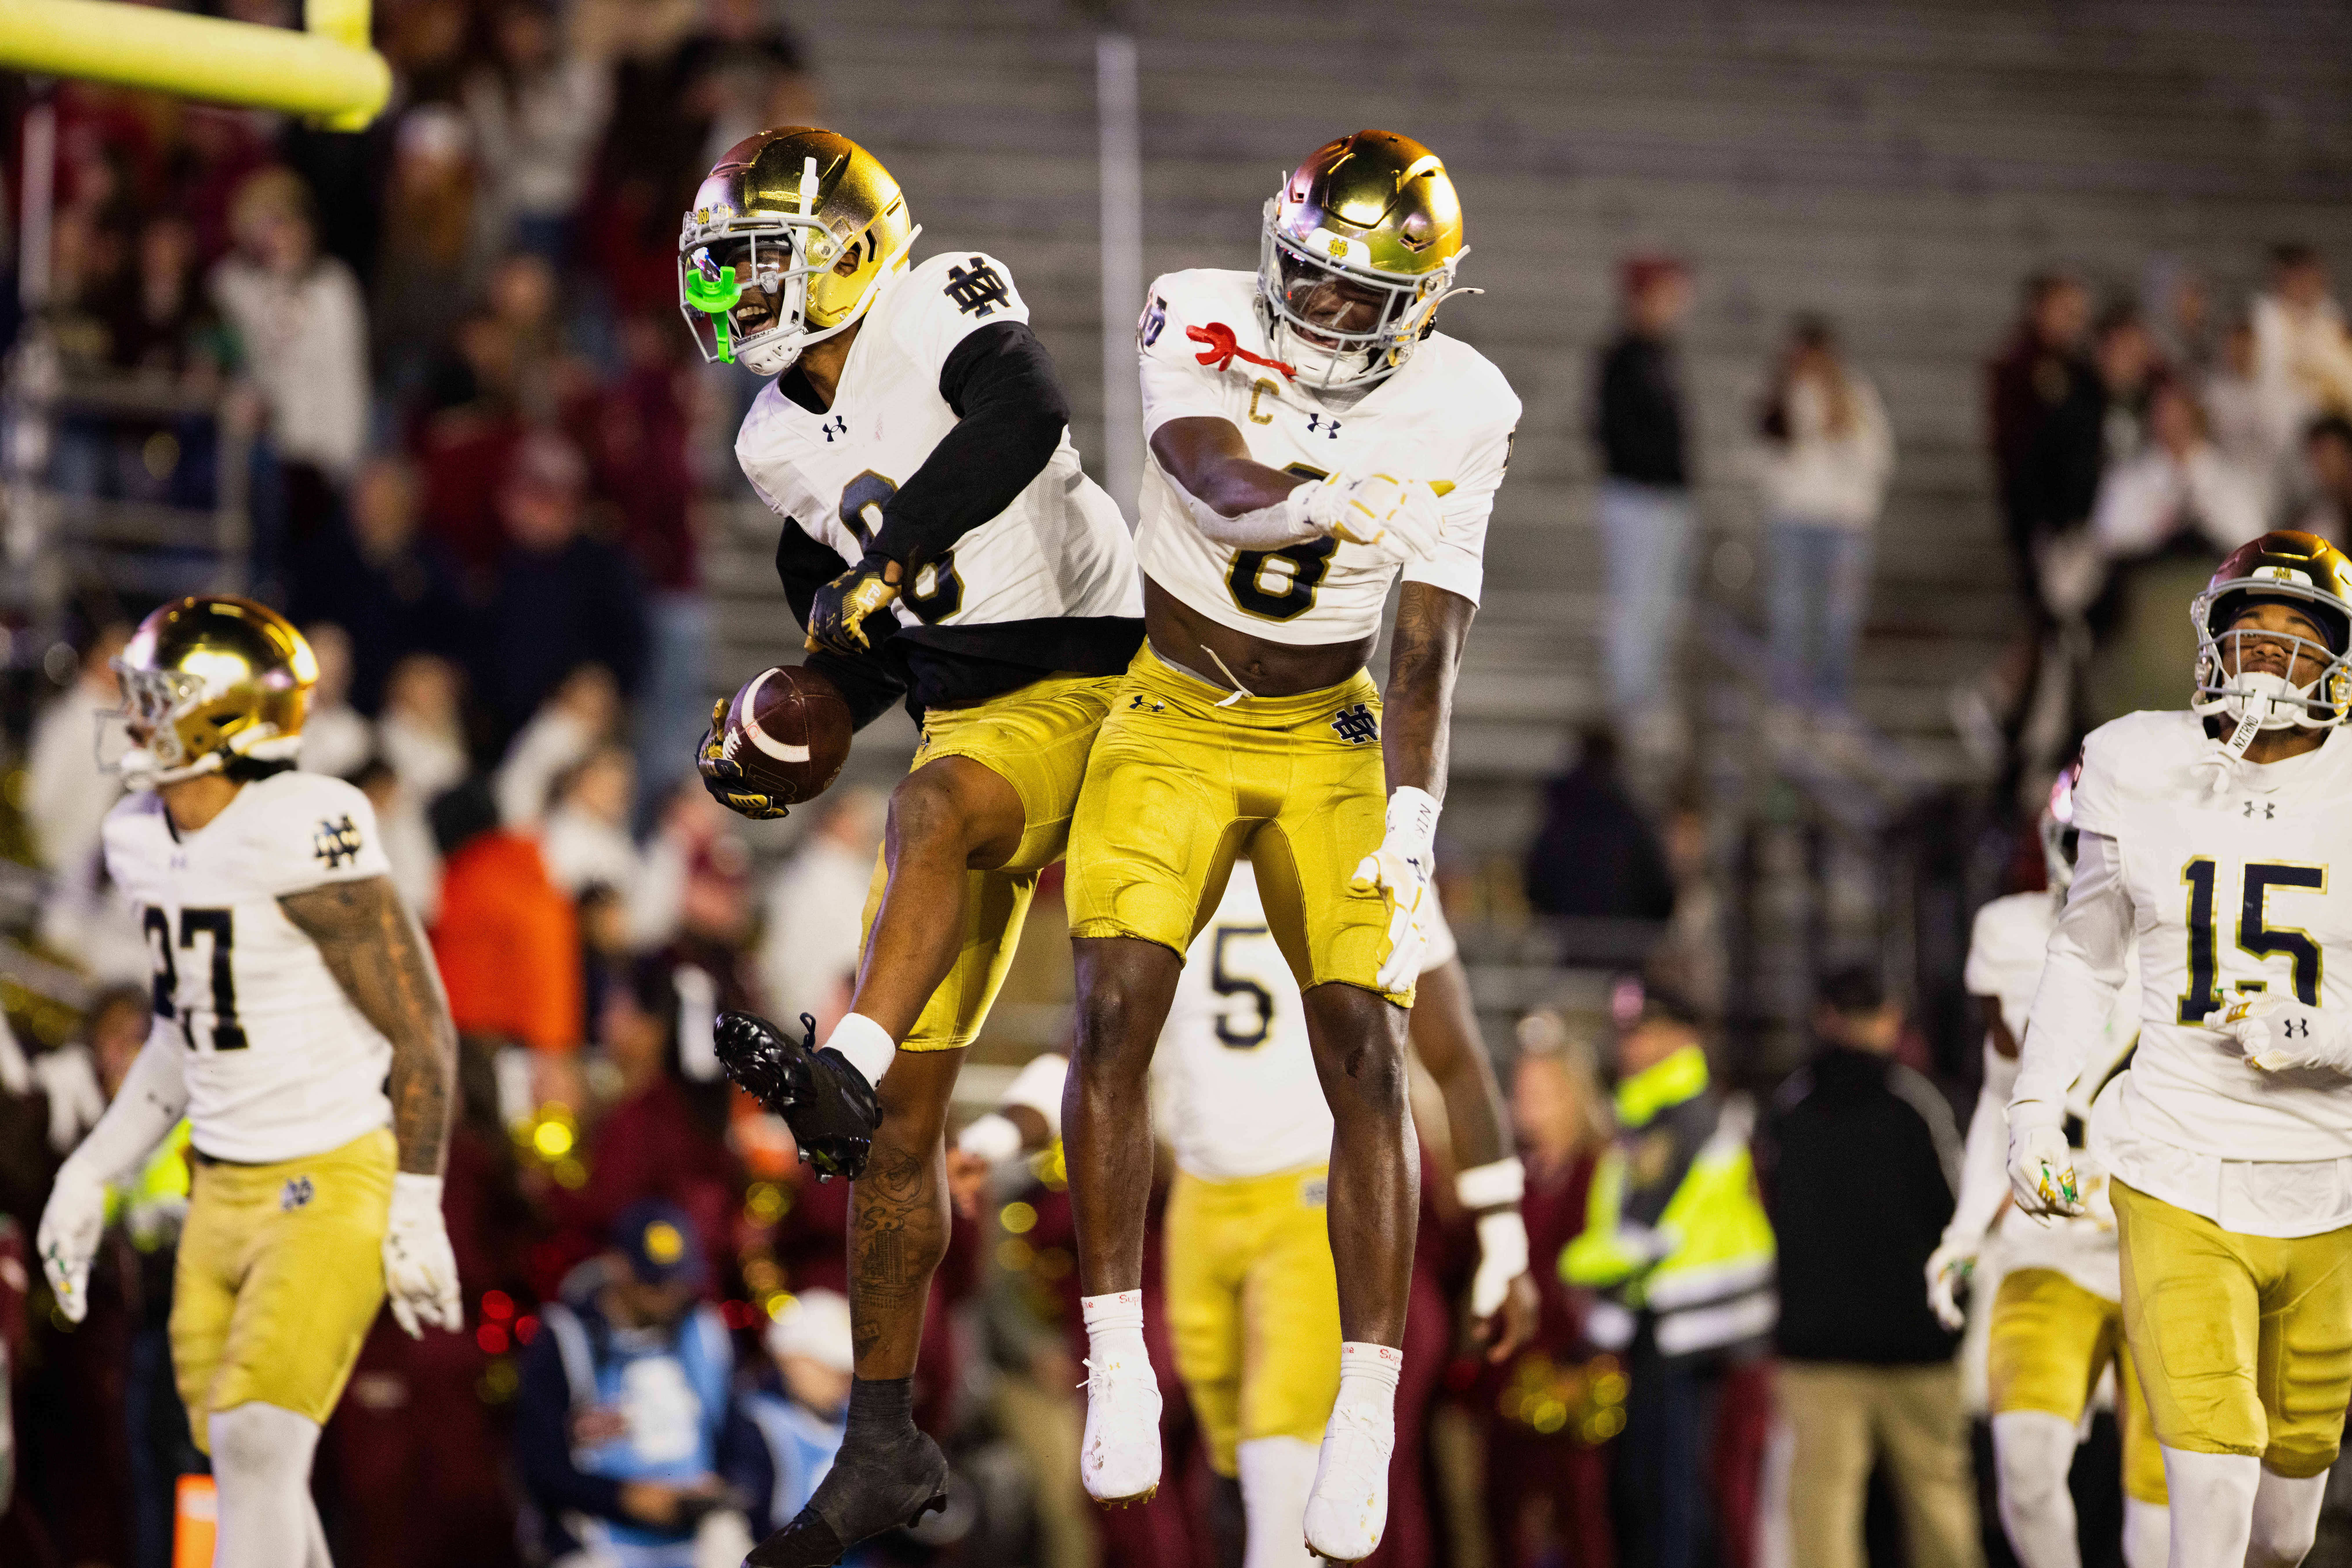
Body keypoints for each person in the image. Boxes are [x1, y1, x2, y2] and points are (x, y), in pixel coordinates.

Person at [679, 126, 1143, 1566]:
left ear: (849, 248)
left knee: (927, 820)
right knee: (888, 1139)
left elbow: (1020, 423)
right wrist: (799, 712)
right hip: (971, 719)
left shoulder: (941, 297)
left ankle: (849, 1055)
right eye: (734, 269)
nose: (745, 294)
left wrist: (877, 573)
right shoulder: (769, 440)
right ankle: (879, 1433)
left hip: (1102, 683)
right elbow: (856, 642)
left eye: (768, 261)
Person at [1057, 126, 1517, 1562]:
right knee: (1113, 1002)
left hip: (1327, 719)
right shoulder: (1193, 304)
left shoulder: (1462, 399)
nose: (1319, 316)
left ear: (1420, 302)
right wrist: (1313, 494)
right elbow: (1200, 466)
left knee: (1365, 1046)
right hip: (1171, 700)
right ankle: (1114, 1351)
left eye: (1354, 297)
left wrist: (1416, 814)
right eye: (1306, 283)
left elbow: (1430, 637)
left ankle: (1365, 1400)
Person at [34, 597, 463, 1568]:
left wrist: (417, 1202)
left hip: (331, 1172)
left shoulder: (309, 820)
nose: (134, 711)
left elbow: (421, 1025)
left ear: (226, 713)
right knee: (249, 1468)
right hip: (215, 1190)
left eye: (158, 694)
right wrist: (90, 1169)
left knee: (258, 1442)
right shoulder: (139, 835)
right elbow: (187, 1034)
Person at [951, 859, 1536, 1568]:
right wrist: (993, 1138)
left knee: (1282, 1445)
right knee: (1233, 1458)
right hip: (1202, 1200)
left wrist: (1505, 1236)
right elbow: (1089, 1045)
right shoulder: (1173, 851)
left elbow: (1454, 1057)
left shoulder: (1354, 851)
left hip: (1311, 1193)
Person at [2010, 529, 2352, 1568]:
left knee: (2281, 1532)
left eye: (2298, 643)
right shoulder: (2130, 757)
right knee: (2208, 1486)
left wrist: (2325, 1033)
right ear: (2208, 640)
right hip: (2173, 1165)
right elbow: (2084, 955)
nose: (2268, 662)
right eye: (2251, 636)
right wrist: (2036, 1102)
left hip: (2328, 1183)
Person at [1926, 768, 2167, 1568]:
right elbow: (2003, 1101)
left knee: (2168, 1498)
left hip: (2166, 1249)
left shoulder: (2198, 942)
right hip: (2051, 1245)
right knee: (2025, 1468)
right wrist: (1964, 1232)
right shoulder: (2013, 934)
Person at [1760, 968, 1981, 1568]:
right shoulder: (1920, 1100)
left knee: (1823, 1516)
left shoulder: (1788, 1105)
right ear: (1887, 1017)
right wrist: (1956, 1315)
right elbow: (1962, 1214)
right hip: (1917, 1347)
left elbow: (1768, 1211)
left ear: (1823, 1016)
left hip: (1818, 1352)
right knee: (1938, 1508)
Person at [1563, 989, 1776, 1568]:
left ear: (1684, 1035)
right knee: (1656, 1488)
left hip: (1693, 1328)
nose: (1630, 1043)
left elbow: (1639, 1235)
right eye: (1626, 1030)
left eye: (1644, 1030)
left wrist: (1581, 1301)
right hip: (1675, 1324)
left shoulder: (1683, 1115)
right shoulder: (1650, 1112)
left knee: (1672, 1493)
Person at [514, 1201, 750, 1565]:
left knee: (735, 1545)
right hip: (597, 1530)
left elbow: (738, 1434)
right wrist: (624, 1498)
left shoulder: (706, 1332)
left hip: (696, 1525)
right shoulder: (565, 1339)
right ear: (617, 1266)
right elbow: (539, 1466)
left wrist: (723, 1486)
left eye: (679, 1278)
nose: (670, 1293)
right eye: (654, 1281)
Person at [1754, 315, 1894, 714]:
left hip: (1844, 526)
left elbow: (1878, 459)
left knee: (1839, 619)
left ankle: (1830, 705)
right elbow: (1761, 458)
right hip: (1793, 521)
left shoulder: (1856, 396)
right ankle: (1788, 704)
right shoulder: (1777, 397)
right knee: (1790, 616)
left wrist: (1842, 437)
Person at [1591, 254, 1696, 765]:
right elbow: (1613, 431)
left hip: (1664, 496)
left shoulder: (1661, 353)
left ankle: (1646, 695)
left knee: (1659, 604)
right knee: (1635, 602)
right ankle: (1629, 702)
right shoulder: (1621, 355)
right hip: (1635, 495)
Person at [734, 1289, 856, 1542]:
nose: (846, 1378)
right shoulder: (756, 1426)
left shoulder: (858, 1422)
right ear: (791, 1359)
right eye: (833, 1365)